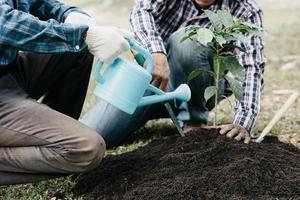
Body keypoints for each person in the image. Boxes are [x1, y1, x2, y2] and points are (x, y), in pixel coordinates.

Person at [81, 0, 265, 148]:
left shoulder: (245, 9)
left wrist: (243, 121)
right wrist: (156, 52)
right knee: (91, 136)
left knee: (187, 39)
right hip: (153, 81)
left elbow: (251, 66)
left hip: (200, 89)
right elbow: (141, 10)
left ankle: (193, 121)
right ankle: (156, 108)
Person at [0, 0, 132, 185]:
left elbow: (42, 4)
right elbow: (5, 25)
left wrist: (76, 18)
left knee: (79, 48)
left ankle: (49, 139)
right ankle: (60, 147)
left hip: (9, 71)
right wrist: (83, 34)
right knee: (87, 149)